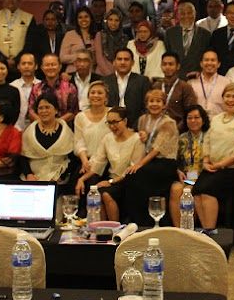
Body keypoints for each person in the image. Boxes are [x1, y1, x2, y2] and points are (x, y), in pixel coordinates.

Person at [191, 82, 234, 230]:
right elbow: (207, 140)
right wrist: (206, 160)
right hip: (214, 167)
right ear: (223, 98)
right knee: (196, 191)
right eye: (227, 96)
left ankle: (210, 231)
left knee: (208, 190)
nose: (230, 100)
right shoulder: (217, 118)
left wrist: (221, 164)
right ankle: (205, 231)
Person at [74, 106, 143, 222]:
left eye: (115, 122)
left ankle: (114, 230)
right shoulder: (107, 138)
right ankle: (101, 230)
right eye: (109, 123)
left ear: (125, 121)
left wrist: (111, 182)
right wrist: (81, 179)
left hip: (129, 180)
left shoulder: (137, 140)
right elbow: (97, 163)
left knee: (106, 194)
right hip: (113, 179)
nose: (112, 126)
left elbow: (132, 169)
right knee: (96, 193)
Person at [123, 89, 180, 225]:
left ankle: (147, 221)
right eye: (151, 101)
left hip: (165, 162)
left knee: (137, 175)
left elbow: (156, 149)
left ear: (164, 105)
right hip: (148, 160)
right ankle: (137, 221)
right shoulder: (143, 119)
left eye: (158, 101)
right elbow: (143, 140)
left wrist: (139, 164)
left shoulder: (168, 123)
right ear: (146, 104)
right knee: (131, 178)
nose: (155, 104)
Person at [168, 104, 209, 227]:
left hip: (204, 176)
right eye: (189, 118)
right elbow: (172, 159)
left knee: (188, 191)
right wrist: (177, 170)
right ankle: (179, 229)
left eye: (196, 117)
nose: (193, 121)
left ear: (203, 119)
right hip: (187, 176)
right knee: (176, 189)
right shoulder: (181, 138)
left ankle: (190, 229)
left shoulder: (209, 136)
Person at [104, 48, 151, 128]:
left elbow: (147, 107)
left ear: (132, 62)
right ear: (114, 62)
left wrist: (135, 127)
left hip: (135, 127)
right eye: (119, 59)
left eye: (126, 59)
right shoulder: (105, 81)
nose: (123, 62)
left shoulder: (142, 81)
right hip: (109, 126)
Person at [163, 2, 210, 79]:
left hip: (197, 78)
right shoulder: (170, 33)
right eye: (182, 13)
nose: (186, 16)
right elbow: (167, 55)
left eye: (189, 13)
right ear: (178, 15)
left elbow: (206, 57)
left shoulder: (205, 34)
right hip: (174, 77)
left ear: (195, 14)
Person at [29, 53, 78, 125]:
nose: (50, 67)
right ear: (42, 68)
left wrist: (55, 124)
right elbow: (31, 110)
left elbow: (73, 111)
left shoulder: (70, 87)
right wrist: (43, 123)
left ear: (60, 67)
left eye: (53, 64)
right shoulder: (36, 88)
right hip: (41, 128)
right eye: (47, 65)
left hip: (64, 129)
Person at [74, 81, 111, 176]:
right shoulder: (80, 116)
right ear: (88, 97)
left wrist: (96, 163)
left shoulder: (112, 114)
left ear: (106, 98)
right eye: (93, 92)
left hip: (107, 162)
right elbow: (79, 142)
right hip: (86, 161)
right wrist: (85, 161)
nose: (96, 95)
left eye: (100, 93)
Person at [155, 51, 197, 127]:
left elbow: (190, 112)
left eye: (171, 64)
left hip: (178, 130)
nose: (167, 67)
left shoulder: (185, 87)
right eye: (164, 64)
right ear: (161, 66)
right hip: (157, 128)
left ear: (178, 66)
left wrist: (176, 129)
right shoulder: (156, 86)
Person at [60, 6, 98, 73]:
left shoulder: (96, 35)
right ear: (76, 20)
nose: (83, 19)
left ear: (91, 19)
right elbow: (62, 58)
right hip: (73, 73)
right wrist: (80, 56)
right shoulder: (70, 34)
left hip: (91, 73)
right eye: (80, 17)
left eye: (86, 17)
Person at [189, 49, 227, 116]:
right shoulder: (191, 83)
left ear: (218, 64)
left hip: (220, 123)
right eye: (206, 60)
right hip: (197, 123)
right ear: (201, 63)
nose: (209, 63)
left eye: (213, 60)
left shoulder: (226, 82)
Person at [93, 9, 129, 77]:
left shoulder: (124, 38)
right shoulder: (100, 35)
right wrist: (111, 76)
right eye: (110, 19)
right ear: (106, 21)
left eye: (116, 20)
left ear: (120, 22)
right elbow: (99, 58)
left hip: (120, 74)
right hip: (101, 74)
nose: (113, 23)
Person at [9, 51, 39, 125]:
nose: (26, 66)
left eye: (30, 63)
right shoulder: (12, 86)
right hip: (16, 129)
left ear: (36, 66)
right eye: (23, 63)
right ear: (18, 66)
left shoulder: (42, 86)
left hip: (38, 128)